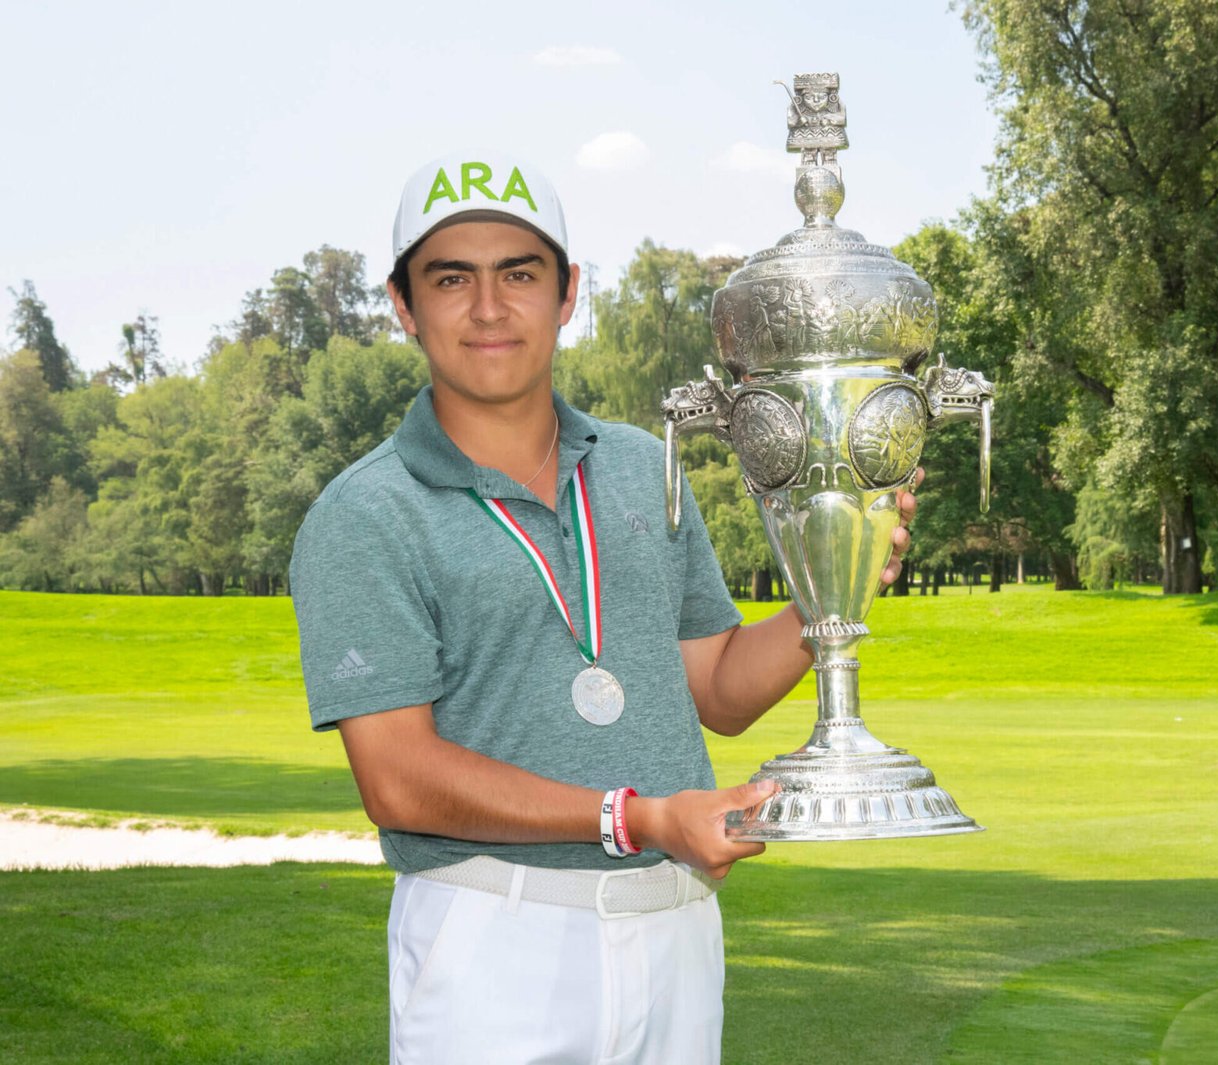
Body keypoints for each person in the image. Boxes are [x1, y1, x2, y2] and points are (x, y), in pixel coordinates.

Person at [288, 151, 916, 1065]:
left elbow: (720, 689)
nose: (490, 307)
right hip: (494, 934)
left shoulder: (636, 464)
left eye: (520, 273)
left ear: (569, 290)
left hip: (676, 929)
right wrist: (634, 816)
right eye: (451, 278)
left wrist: (842, 577)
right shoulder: (364, 512)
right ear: (402, 304)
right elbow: (398, 779)